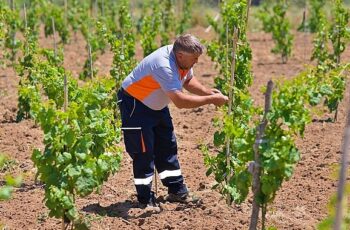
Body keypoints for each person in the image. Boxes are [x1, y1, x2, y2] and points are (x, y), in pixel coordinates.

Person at [117, 34, 228, 210]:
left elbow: (188, 80)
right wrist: (211, 100)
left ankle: (176, 191)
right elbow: (180, 102)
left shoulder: (182, 60)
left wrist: (208, 92)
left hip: (156, 104)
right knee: (143, 152)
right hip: (135, 104)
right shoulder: (164, 65)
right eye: (195, 59)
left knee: (167, 145)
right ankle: (146, 199)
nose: (197, 62)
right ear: (181, 55)